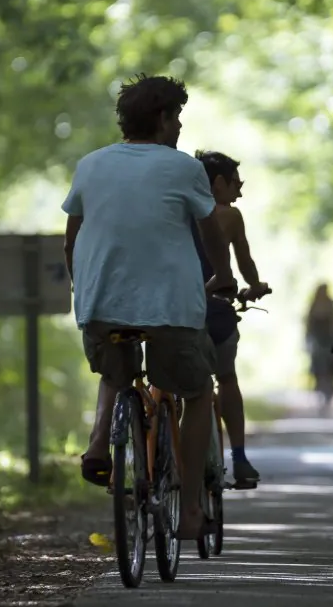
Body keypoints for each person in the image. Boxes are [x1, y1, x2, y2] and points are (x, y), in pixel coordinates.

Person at [62, 74, 236, 540]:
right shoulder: (182, 168)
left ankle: (99, 443)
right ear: (162, 119)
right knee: (197, 392)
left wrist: (86, 289)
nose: (179, 126)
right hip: (170, 311)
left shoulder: (91, 165)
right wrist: (222, 276)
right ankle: (194, 511)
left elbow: (72, 237)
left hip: (99, 305)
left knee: (115, 374)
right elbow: (212, 232)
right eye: (176, 116)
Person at [192, 149, 271, 490]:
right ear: (219, 183)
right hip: (216, 311)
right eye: (237, 183)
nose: (239, 192)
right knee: (226, 379)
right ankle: (238, 458)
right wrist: (255, 286)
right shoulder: (228, 215)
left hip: (176, 309)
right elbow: (244, 261)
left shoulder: (177, 212)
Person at [305, 284, 333, 414]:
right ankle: (321, 392)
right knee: (318, 367)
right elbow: (308, 324)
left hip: (330, 340)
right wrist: (308, 340)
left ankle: (328, 394)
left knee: (332, 365)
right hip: (317, 341)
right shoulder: (313, 305)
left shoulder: (331, 303)